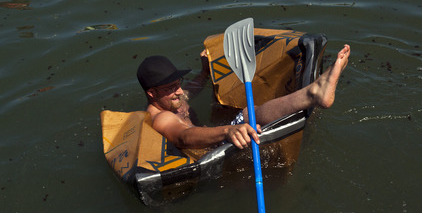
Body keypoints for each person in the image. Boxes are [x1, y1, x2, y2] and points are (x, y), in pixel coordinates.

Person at [137, 44, 350, 150]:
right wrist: (228, 131)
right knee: (248, 115)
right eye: (170, 88)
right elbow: (185, 136)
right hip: (208, 158)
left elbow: (189, 92)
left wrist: (204, 73)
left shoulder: (171, 100)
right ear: (151, 93)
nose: (179, 91)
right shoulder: (161, 119)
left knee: (221, 106)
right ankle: (314, 92)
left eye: (178, 84)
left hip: (212, 140)